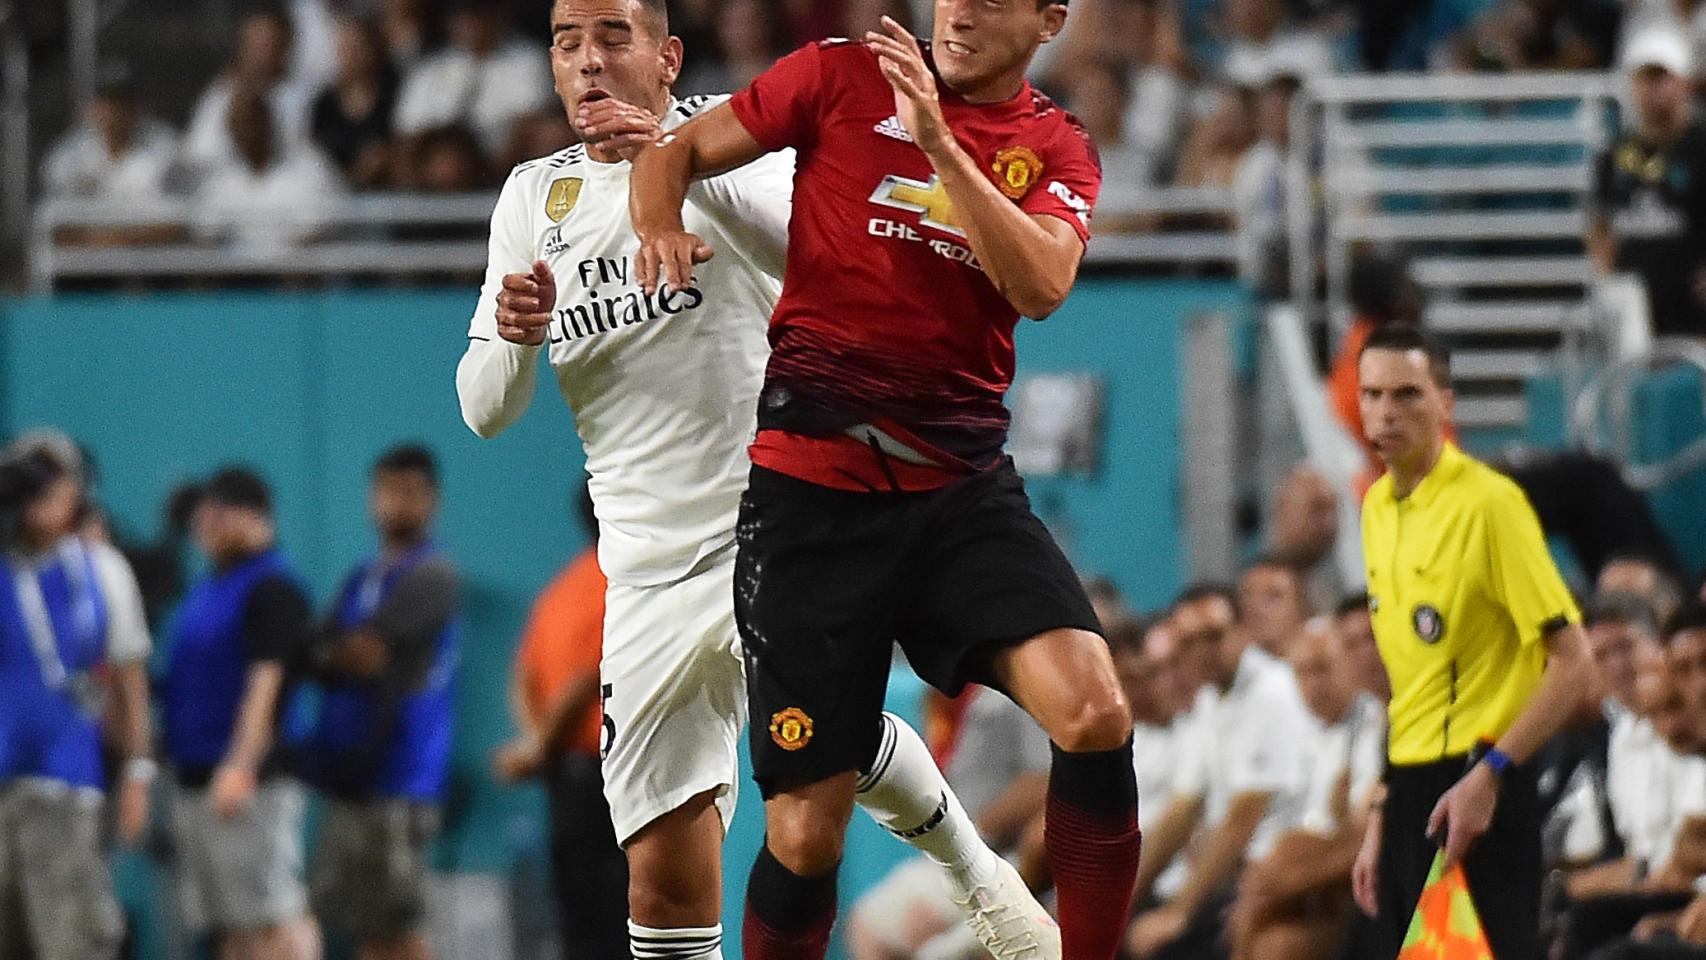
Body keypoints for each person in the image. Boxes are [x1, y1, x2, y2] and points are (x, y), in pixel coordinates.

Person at [454, 1, 1050, 956]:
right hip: (643, 568)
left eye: (613, 38)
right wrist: (516, 343)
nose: (589, 63)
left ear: (666, 55)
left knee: (825, 738)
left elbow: (831, 269)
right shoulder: (531, 198)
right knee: (661, 871)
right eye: (568, 44)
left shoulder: (744, 141)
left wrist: (675, 160)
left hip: (780, 513)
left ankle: (980, 880)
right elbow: (484, 408)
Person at [630, 0, 1149, 954]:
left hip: (960, 495)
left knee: (1097, 711)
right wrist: (657, 226)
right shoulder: (838, 74)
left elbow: (1040, 285)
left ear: (1049, 20)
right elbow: (673, 153)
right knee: (804, 833)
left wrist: (941, 146)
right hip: (812, 502)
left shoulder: (1058, 144)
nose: (962, 10)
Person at [1350, 325, 1595, 960]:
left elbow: (1572, 662)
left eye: (1407, 395)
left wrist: (1491, 775)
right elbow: (1409, 683)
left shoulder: (1491, 505)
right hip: (1409, 790)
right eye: (1372, 395)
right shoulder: (1377, 508)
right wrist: (1382, 807)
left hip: (1478, 786)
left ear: (1446, 403)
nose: (1385, 413)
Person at [304, 445, 460, 960]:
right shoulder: (361, 576)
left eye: (412, 493)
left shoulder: (433, 576)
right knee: (361, 925)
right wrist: (335, 655)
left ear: (433, 501)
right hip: (354, 772)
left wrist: (339, 654)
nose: (399, 505)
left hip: (402, 773)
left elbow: (362, 653)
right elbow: (320, 654)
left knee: (397, 926)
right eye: (389, 491)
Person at [0, 442, 152, 960]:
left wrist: (137, 774)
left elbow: (132, 683)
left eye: (56, 480)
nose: (43, 493)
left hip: (67, 789)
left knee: (73, 945)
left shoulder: (101, 569)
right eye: (28, 479)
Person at [161, 467, 320, 960]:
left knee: (271, 919)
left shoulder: (272, 588)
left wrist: (242, 764)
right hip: (195, 775)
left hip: (250, 782)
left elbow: (265, 686)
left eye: (218, 512)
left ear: (256, 519)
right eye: (203, 514)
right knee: (231, 928)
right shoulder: (208, 590)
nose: (205, 524)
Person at [1125, 585, 1312, 960]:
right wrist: (1118, 901)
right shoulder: (1210, 700)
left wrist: (1178, 912)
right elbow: (1181, 812)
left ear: (1243, 630)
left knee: (1159, 945)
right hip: (1225, 875)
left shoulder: (1271, 690)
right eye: (1191, 642)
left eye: (1214, 636)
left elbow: (1242, 821)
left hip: (1276, 875)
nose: (1204, 651)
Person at [493, 485, 627, 958]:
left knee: (576, 920)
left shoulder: (561, 588)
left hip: (564, 778)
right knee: (619, 921)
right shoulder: (624, 582)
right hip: (604, 778)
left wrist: (534, 745)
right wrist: (541, 745)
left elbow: (521, 676)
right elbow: (588, 678)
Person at [1226, 618, 1385, 960]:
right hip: (1311, 888)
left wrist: (1290, 880)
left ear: (1345, 662)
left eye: (1323, 669)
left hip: (1354, 888)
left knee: (1277, 947)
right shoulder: (1309, 735)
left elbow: (1362, 836)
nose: (1314, 685)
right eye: (1302, 673)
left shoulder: (1373, 722)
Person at [1588, 27, 1706, 339]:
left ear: (1683, 81)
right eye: (1645, 78)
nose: (1653, 89)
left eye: (1661, 77)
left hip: (1693, 303)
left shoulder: (1700, 146)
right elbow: (1599, 221)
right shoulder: (1615, 154)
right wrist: (1607, 276)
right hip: (1633, 303)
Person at [392, 0, 553, 156]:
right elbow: (407, 131)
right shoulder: (430, 68)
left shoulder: (528, 58)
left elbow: (531, 122)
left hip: (502, 160)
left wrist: (499, 168)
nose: (472, 24)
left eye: (480, 16)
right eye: (464, 18)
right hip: (436, 164)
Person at [1236, 556, 1309, 660]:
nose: (1257, 608)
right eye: (1247, 596)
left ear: (1301, 607)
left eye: (1274, 596)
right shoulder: (1228, 669)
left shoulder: (1322, 669)